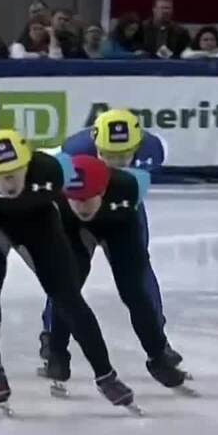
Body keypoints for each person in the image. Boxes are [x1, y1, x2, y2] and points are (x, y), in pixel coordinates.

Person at [0, 129, 137, 412]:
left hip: (38, 222)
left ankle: (105, 375)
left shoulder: (51, 170)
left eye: (16, 171)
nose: (11, 181)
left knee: (68, 295)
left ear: (29, 164)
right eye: (2, 175)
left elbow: (97, 177)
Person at [44, 154, 188, 392]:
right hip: (72, 230)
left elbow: (133, 244)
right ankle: (57, 353)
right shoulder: (56, 197)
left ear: (102, 190)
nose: (81, 206)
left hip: (119, 226)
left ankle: (158, 356)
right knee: (67, 289)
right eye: (76, 199)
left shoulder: (126, 187)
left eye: (87, 198)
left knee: (135, 292)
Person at [46, 108, 169, 362]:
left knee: (138, 272)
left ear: (137, 148)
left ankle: (158, 336)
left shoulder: (154, 151)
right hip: (79, 209)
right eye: (108, 155)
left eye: (123, 156)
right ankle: (51, 336)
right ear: (95, 146)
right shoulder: (71, 154)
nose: (115, 163)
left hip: (122, 209)